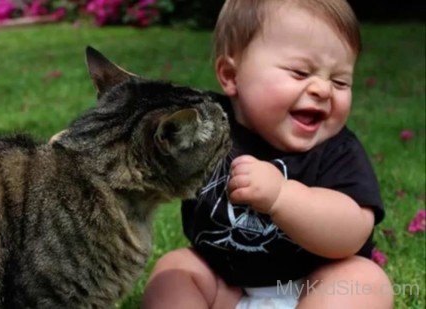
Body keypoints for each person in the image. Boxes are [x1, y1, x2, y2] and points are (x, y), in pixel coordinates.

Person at [142, 0, 393, 308]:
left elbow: (352, 232)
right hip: (225, 284)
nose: (323, 90)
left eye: (340, 81)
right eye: (300, 72)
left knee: (365, 281)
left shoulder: (339, 150)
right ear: (232, 76)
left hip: (312, 285)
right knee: (174, 271)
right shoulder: (207, 125)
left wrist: (281, 197)